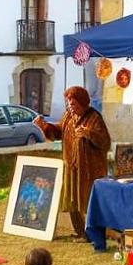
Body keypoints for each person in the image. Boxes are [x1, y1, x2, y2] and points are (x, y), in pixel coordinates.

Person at [33, 86, 111, 240]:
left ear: (82, 103)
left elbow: (105, 142)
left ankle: (95, 232)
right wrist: (44, 126)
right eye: (68, 103)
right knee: (73, 201)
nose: (70, 107)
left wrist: (89, 134)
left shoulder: (94, 117)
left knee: (88, 201)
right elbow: (58, 131)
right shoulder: (68, 116)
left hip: (89, 170)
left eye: (73, 104)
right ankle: (81, 233)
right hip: (71, 166)